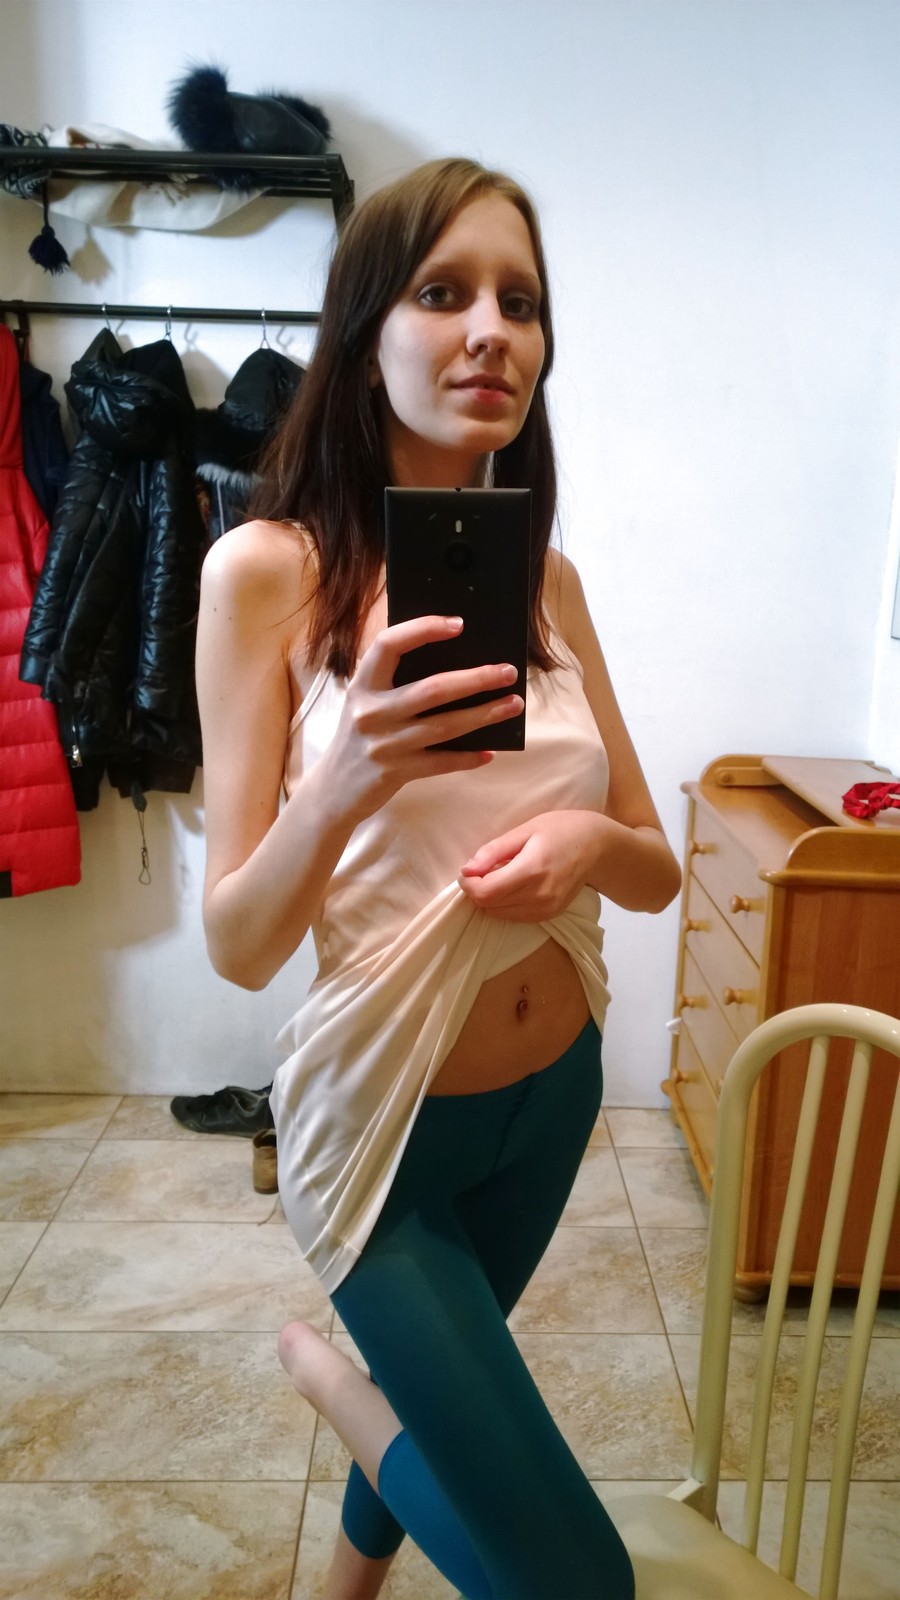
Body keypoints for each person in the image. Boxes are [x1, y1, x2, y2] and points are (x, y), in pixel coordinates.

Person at [196, 156, 681, 1600]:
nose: (491, 333)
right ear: (366, 340)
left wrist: (589, 848)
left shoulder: (550, 583)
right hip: (384, 1137)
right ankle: (334, 1381)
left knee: (460, 1420)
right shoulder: (265, 574)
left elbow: (654, 866)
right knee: (575, 1580)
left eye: (520, 303)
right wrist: (348, 775)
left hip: (554, 1097)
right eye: (443, 293)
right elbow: (237, 942)